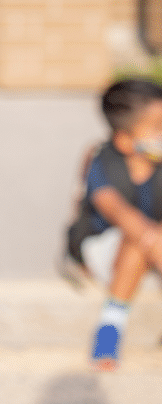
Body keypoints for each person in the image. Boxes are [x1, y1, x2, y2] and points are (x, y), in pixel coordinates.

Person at [70, 78, 162, 371]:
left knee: (145, 240)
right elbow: (118, 212)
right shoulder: (101, 162)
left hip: (153, 246)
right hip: (102, 247)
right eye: (157, 127)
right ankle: (110, 327)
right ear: (124, 139)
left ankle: (110, 326)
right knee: (138, 238)